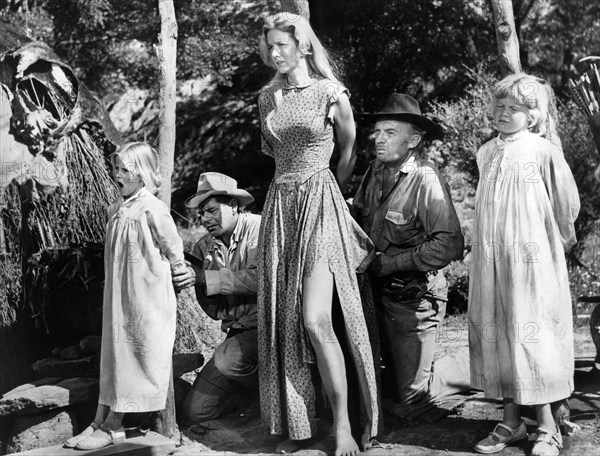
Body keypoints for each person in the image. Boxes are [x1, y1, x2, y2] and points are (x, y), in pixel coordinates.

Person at [257, 12, 379, 456]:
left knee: (316, 319)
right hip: (280, 206)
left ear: (303, 46)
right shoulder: (266, 99)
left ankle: (344, 427)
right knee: (286, 323)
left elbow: (347, 151)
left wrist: (329, 194)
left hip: (320, 202)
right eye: (269, 46)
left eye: (282, 45)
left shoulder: (332, 93)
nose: (274, 53)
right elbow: (275, 155)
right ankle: (300, 426)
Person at [469, 73, 580, 456]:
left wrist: (554, 246)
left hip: (532, 261)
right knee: (498, 328)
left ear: (533, 116)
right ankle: (511, 420)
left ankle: (547, 426)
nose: (503, 113)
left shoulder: (543, 151)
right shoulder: (485, 152)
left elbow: (566, 205)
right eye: (498, 105)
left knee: (532, 332)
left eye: (513, 108)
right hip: (492, 259)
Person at [64, 142, 186, 450]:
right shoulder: (116, 208)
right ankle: (99, 421)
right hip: (119, 294)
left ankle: (115, 424)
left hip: (145, 294)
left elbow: (173, 249)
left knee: (134, 352)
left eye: (125, 169)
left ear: (142, 173)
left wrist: (180, 270)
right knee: (114, 355)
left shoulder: (152, 208)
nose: (118, 174)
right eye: (116, 168)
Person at [352, 93, 469, 410]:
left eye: (390, 133)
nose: (379, 140)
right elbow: (358, 218)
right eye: (377, 132)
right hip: (375, 296)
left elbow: (449, 245)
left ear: (414, 139)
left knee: (411, 400)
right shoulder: (374, 171)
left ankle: (479, 364)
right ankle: (411, 370)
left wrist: (390, 262)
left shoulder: (425, 179)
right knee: (378, 387)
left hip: (413, 298)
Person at [173, 172, 260, 421]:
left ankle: (278, 392)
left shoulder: (261, 229)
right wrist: (192, 281)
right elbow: (215, 312)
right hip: (237, 335)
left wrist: (205, 278)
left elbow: (262, 280)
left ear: (233, 205)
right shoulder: (203, 247)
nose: (206, 219)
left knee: (228, 359)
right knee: (196, 411)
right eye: (202, 214)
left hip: (272, 330)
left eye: (212, 210)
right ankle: (257, 397)